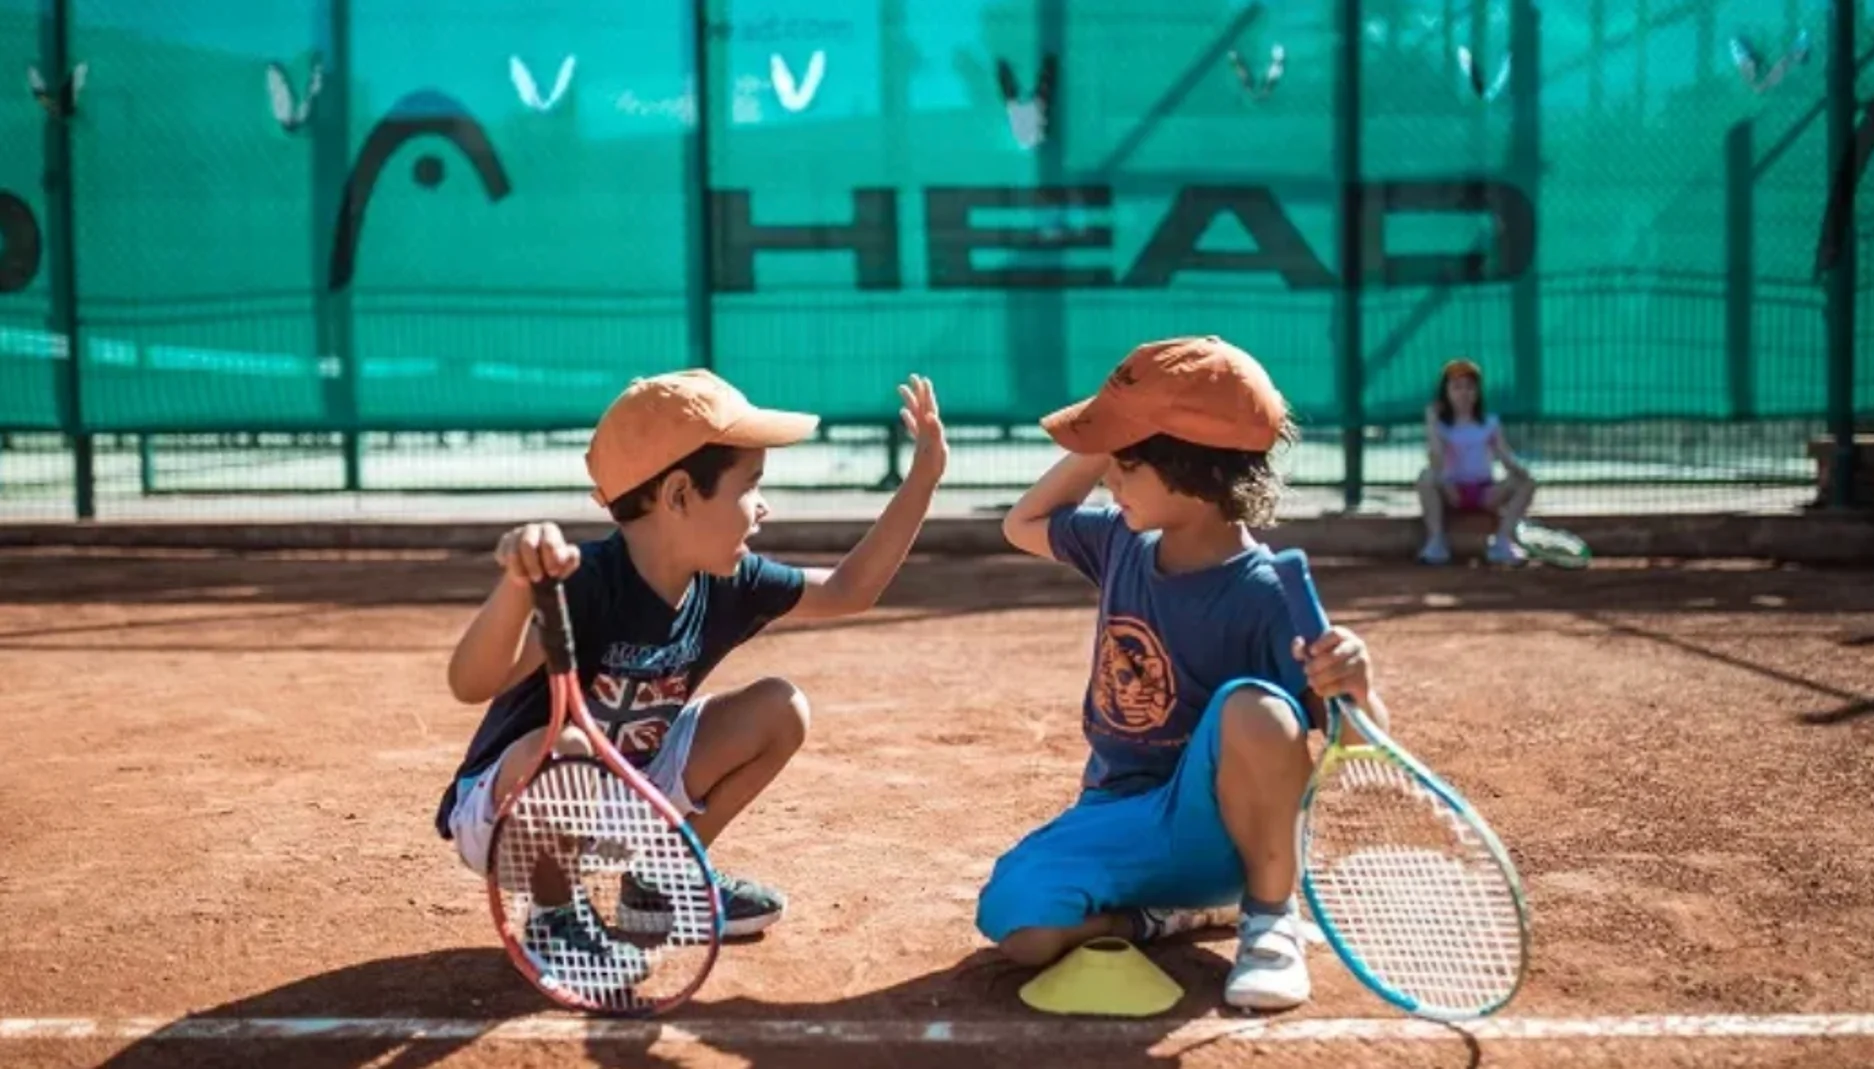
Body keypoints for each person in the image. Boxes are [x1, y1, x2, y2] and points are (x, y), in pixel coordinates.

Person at [437, 369, 946, 965]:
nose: (764, 508)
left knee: (779, 709)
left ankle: (659, 882)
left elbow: (847, 590)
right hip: (507, 814)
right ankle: (555, 918)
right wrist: (517, 587)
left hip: (626, 788)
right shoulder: (585, 583)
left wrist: (924, 479)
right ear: (679, 495)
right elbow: (470, 683)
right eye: (749, 485)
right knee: (568, 747)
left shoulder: (729, 579)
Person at [982, 336, 1393, 1011]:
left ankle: (1268, 919)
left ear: (1196, 475)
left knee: (1257, 709)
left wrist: (1357, 683)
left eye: (1127, 463)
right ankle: (1167, 917)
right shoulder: (1120, 539)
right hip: (1120, 813)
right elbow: (1022, 522)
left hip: (1221, 831)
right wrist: (1113, 430)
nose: (1109, 479)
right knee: (1018, 922)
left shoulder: (1267, 593)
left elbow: (1362, 742)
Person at [1416, 358, 1536, 566]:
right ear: (1446, 392)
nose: (1464, 393)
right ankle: (1436, 542)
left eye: (1470, 387)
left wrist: (1523, 473)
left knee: (1526, 481)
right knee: (1426, 477)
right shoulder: (1441, 426)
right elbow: (1436, 461)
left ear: (1478, 392)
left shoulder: (1490, 423)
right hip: (1452, 491)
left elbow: (1505, 457)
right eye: (1457, 387)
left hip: (1485, 492)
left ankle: (1502, 542)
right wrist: (1431, 423)